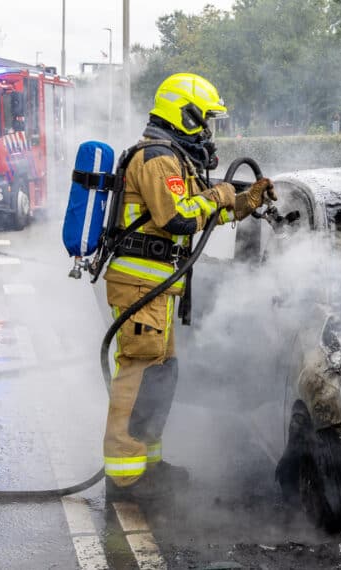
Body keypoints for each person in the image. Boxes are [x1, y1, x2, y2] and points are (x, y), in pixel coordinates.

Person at [102, 72, 275, 499]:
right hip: (140, 287)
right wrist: (218, 196)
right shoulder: (157, 158)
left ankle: (149, 466)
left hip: (156, 289)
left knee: (160, 376)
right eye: (206, 120)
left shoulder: (174, 158)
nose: (209, 131)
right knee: (139, 374)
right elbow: (177, 217)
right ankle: (126, 477)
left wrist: (246, 200)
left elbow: (204, 209)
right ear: (187, 114)